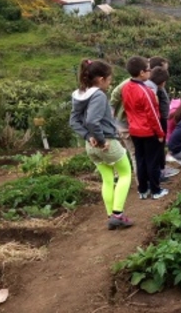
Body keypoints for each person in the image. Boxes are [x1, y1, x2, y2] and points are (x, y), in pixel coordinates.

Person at [69, 59, 133, 230]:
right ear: (101, 79)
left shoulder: (79, 95)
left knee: (107, 179)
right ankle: (118, 215)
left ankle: (111, 216)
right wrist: (102, 140)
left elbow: (74, 121)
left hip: (90, 146)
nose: (110, 83)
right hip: (106, 143)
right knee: (126, 174)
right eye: (110, 80)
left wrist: (87, 136)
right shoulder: (98, 95)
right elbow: (92, 120)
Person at [122, 56, 169, 200]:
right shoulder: (145, 91)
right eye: (148, 70)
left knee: (140, 159)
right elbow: (153, 115)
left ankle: (143, 190)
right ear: (142, 73)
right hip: (148, 131)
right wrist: (160, 133)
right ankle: (156, 190)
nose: (150, 73)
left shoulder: (126, 87)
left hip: (134, 130)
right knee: (152, 161)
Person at [144, 59, 180, 180]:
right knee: (156, 148)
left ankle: (161, 169)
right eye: (165, 68)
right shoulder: (152, 88)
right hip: (157, 121)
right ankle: (158, 173)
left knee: (159, 147)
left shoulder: (155, 86)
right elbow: (153, 108)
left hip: (161, 119)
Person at [110, 75, 138, 185]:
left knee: (121, 151)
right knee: (134, 153)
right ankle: (141, 184)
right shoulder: (128, 83)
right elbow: (114, 96)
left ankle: (118, 176)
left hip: (119, 121)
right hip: (123, 122)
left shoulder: (129, 82)